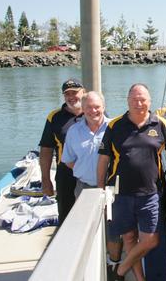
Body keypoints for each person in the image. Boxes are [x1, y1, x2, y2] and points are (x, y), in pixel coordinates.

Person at [97, 84, 166, 281]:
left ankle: (120, 270)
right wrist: (100, 188)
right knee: (128, 238)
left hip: (150, 193)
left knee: (151, 240)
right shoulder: (114, 126)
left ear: (149, 102)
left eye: (143, 99)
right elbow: (103, 159)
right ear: (127, 101)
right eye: (134, 99)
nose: (138, 103)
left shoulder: (160, 124)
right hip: (121, 193)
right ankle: (140, 278)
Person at [39, 77, 85, 225]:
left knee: (92, 213)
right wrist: (46, 180)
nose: (71, 97)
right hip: (66, 174)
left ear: (83, 92)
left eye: (74, 92)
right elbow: (46, 150)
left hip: (91, 174)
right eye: (67, 94)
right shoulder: (55, 117)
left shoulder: (95, 111)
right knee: (66, 216)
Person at [61, 91, 109, 197]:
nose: (93, 110)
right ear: (82, 109)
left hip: (110, 186)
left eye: (97, 107)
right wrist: (85, 170)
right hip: (84, 187)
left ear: (103, 107)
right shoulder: (73, 131)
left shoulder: (114, 128)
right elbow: (68, 161)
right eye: (89, 107)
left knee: (111, 214)